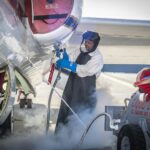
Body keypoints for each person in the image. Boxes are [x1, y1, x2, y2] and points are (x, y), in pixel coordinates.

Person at [55, 31, 103, 130]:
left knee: (80, 111)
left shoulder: (97, 57)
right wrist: (65, 57)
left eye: (89, 43)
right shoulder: (81, 50)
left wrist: (68, 65)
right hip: (72, 84)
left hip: (85, 88)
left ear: (95, 44)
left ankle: (79, 137)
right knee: (66, 107)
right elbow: (71, 59)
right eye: (85, 41)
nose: (86, 44)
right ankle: (61, 136)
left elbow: (85, 70)